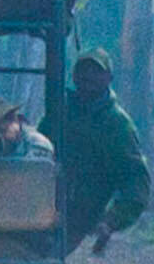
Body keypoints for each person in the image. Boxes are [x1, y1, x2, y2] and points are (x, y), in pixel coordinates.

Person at [55, 52, 148, 251]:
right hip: (43, 207)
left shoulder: (117, 124)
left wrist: (112, 220)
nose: (88, 76)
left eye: (96, 71)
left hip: (80, 218)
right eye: (83, 70)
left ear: (109, 78)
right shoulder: (60, 110)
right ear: (73, 76)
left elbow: (136, 180)